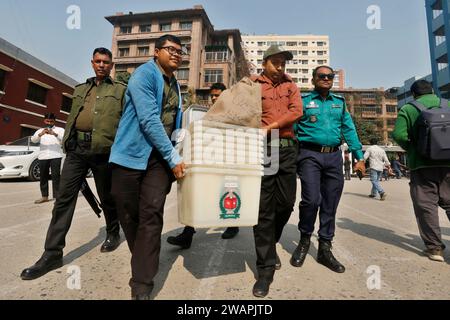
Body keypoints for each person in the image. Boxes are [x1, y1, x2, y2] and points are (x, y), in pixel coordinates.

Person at [20, 48, 126, 281]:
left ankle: (112, 232)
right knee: (63, 200)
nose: (101, 65)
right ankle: (52, 253)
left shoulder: (120, 90)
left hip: (103, 151)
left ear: (111, 65)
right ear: (92, 63)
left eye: (106, 62)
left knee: (107, 196)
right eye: (97, 61)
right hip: (76, 150)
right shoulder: (80, 89)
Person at [109, 35, 186, 300]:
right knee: (129, 216)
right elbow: (149, 120)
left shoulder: (176, 85)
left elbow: (174, 125)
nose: (176, 54)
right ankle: (142, 255)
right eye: (171, 50)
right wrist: (174, 158)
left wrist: (176, 153)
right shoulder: (143, 75)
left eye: (180, 51)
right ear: (156, 53)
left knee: (151, 215)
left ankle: (141, 282)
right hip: (129, 156)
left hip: (159, 161)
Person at [291, 66, 366, 274]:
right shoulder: (303, 101)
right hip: (309, 155)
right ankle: (304, 240)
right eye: (321, 76)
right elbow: (294, 130)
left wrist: (359, 157)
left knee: (330, 202)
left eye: (329, 76)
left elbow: (348, 130)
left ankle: (325, 247)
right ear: (313, 79)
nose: (326, 79)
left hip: (333, 156)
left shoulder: (339, 103)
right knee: (311, 200)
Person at [250, 45, 303, 298]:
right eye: (276, 62)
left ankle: (269, 242)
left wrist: (270, 125)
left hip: (287, 147)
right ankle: (265, 268)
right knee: (263, 208)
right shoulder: (251, 84)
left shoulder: (290, 86)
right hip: (264, 148)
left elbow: (296, 112)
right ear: (265, 62)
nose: (281, 66)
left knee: (286, 202)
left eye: (283, 63)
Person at [166, 83, 239, 249]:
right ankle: (188, 233)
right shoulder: (206, 115)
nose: (214, 98)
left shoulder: (234, 115)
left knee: (228, 194)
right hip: (209, 161)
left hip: (228, 162)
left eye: (217, 95)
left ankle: (233, 224)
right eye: (212, 95)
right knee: (196, 195)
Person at [393, 80, 450, 262]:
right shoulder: (448, 104)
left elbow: (399, 135)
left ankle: (435, 249)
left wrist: (413, 149)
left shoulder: (408, 109)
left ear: (414, 94)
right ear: (433, 91)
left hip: (422, 165)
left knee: (426, 207)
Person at [31, 113, 65, 204]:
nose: (49, 122)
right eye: (47, 121)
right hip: (43, 156)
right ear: (44, 120)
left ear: (54, 121)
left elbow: (65, 139)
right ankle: (44, 196)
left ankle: (57, 197)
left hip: (56, 155)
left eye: (51, 121)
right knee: (43, 177)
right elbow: (33, 140)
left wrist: (55, 134)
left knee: (56, 177)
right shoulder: (40, 130)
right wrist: (40, 134)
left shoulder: (60, 130)